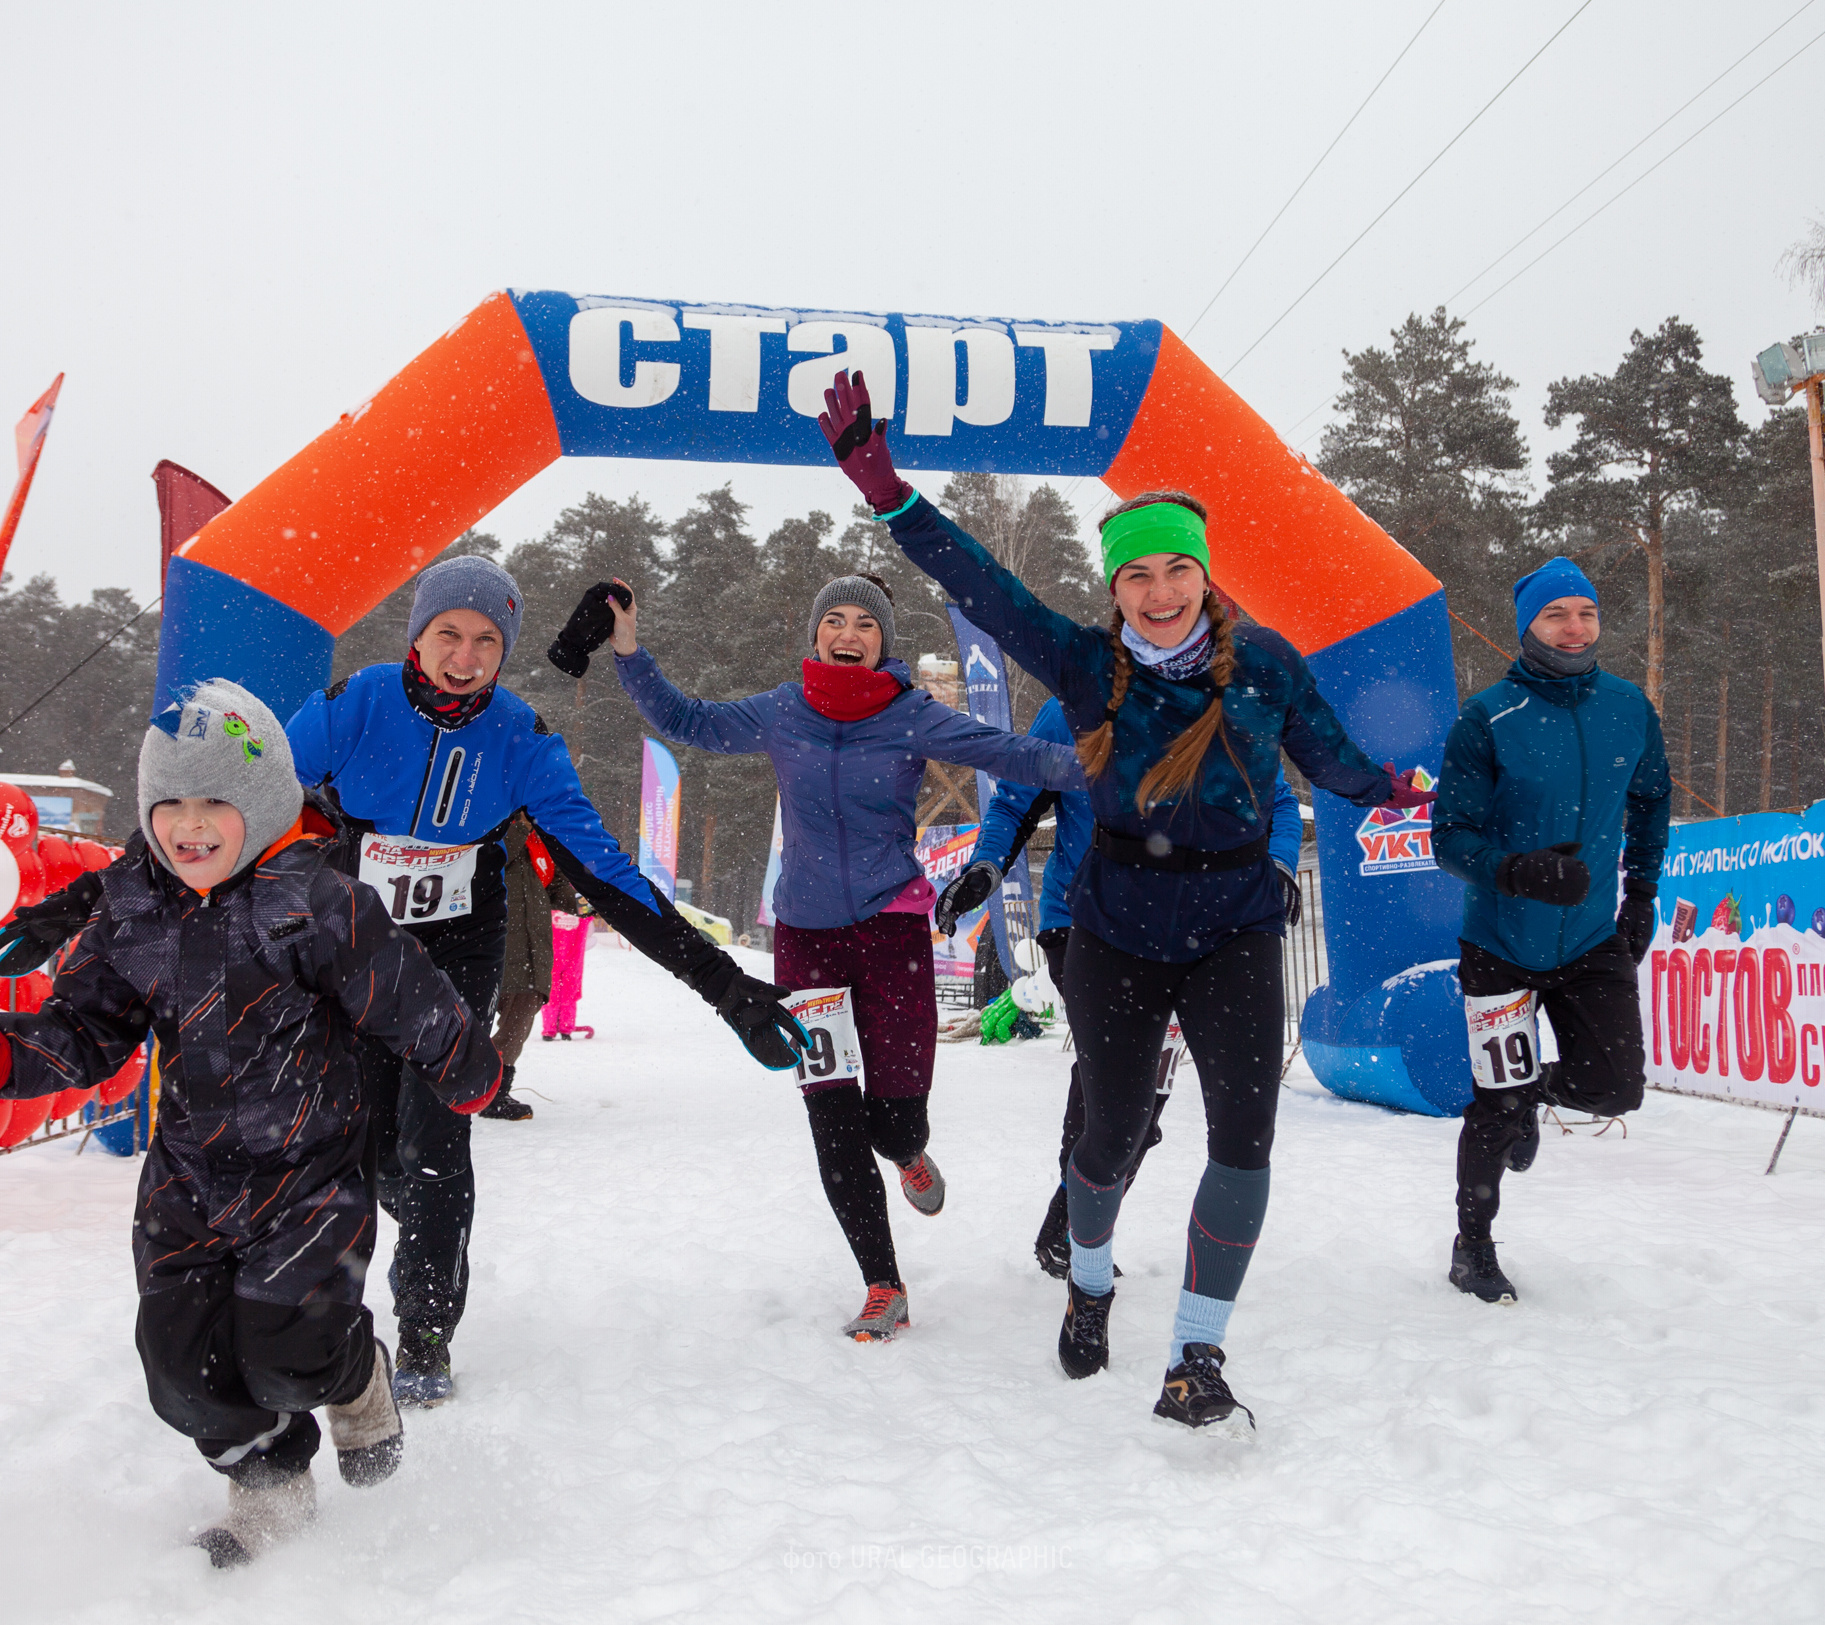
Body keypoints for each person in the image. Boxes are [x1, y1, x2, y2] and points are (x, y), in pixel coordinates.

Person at [815, 371, 1432, 1433]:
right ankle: (1088, 1280)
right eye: (1135, 573)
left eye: (1177, 569)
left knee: (1243, 1138)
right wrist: (886, 489)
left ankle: (1197, 1348)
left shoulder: (1266, 666)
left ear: (1206, 573)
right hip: (1115, 928)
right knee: (1107, 1136)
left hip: (1234, 924)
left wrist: (1401, 787)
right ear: (1113, 585)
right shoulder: (1086, 667)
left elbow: (1328, 761)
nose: (1158, 591)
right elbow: (982, 584)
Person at [0, 680, 503, 1568]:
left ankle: (354, 1373)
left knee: (288, 1351)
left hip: (310, 1179)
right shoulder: (132, 911)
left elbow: (404, 993)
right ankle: (268, 1484)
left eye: (214, 801)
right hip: (188, 1180)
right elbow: (87, 1027)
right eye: (169, 804)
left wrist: (462, 1063)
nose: (190, 824)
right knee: (181, 1369)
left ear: (261, 803)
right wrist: (0, 1054)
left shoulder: (320, 902)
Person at [285, 555, 807, 1407]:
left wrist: (730, 990)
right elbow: (233, 799)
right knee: (363, 1142)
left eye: (487, 640)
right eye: (448, 633)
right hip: (353, 937)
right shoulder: (356, 703)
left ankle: (422, 1334)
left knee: (436, 1140)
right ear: (417, 634)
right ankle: (330, 1303)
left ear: (506, 650)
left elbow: (611, 877)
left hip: (457, 944)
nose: (465, 655)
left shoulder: (522, 739)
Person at [601, 570, 1086, 1340]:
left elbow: (1013, 754)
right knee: (829, 1111)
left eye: (866, 622)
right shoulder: (781, 710)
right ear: (818, 635)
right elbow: (687, 719)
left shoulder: (911, 713)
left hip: (892, 933)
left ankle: (909, 1151)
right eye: (837, 621)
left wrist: (1119, 762)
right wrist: (629, 650)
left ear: (883, 641)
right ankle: (882, 1282)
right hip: (806, 937)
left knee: (893, 1120)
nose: (850, 633)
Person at [944, 697, 1309, 1279]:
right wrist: (987, 864)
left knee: (1142, 1101)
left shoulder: (1224, 699)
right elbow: (1014, 803)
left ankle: (1074, 1221)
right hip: (1082, 920)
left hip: (1188, 928)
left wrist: (1282, 865)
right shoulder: (1074, 704)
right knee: (1112, 1086)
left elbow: (1280, 803)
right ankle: (1072, 1235)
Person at [1430, 557, 1669, 1304]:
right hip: (1501, 939)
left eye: (1586, 613)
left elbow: (1652, 799)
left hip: (1593, 935)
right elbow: (1450, 836)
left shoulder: (1629, 706)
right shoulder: (1488, 717)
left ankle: (1528, 1092)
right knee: (1493, 1107)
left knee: (1617, 1087)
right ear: (1527, 627)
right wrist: (1518, 871)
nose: (1575, 627)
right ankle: (1473, 1246)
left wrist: (1642, 892)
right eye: (1556, 614)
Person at [480, 811, 579, 1119]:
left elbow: (555, 885)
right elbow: (491, 862)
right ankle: (460, 1089)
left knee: (519, 1020)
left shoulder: (541, 839)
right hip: (491, 946)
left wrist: (576, 900)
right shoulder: (488, 825)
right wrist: (519, 830)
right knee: (470, 1023)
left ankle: (495, 1092)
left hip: (533, 950)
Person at [540, 900, 592, 1039]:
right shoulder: (549, 905)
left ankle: (565, 1028)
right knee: (552, 995)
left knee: (568, 995)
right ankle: (550, 1029)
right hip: (552, 960)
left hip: (572, 960)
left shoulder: (581, 904)